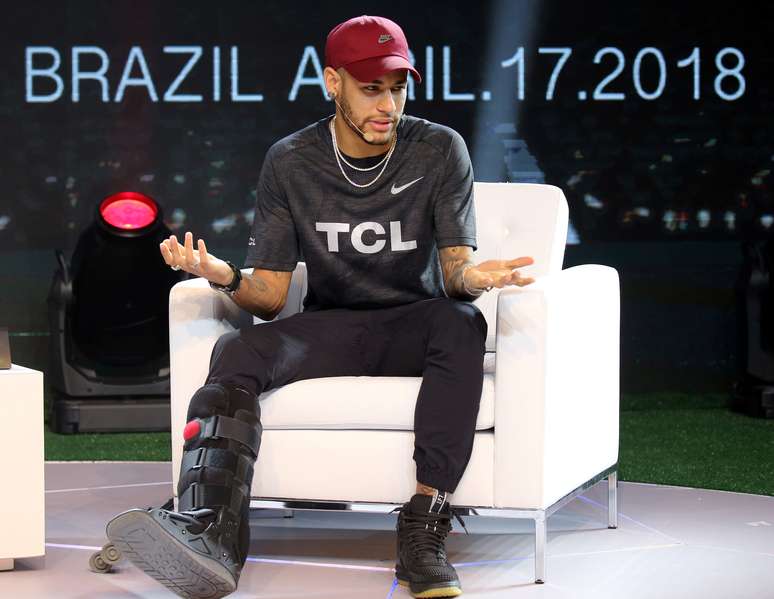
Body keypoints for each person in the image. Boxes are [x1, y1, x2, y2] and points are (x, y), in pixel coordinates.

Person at [106, 15, 535, 599]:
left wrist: (474, 278)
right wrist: (222, 274)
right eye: (371, 88)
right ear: (333, 82)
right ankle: (211, 532)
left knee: (461, 322)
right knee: (237, 348)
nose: (389, 105)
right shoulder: (291, 160)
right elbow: (273, 296)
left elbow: (457, 274)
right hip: (332, 326)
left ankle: (424, 529)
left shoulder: (440, 149)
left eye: (398, 87)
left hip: (416, 321)